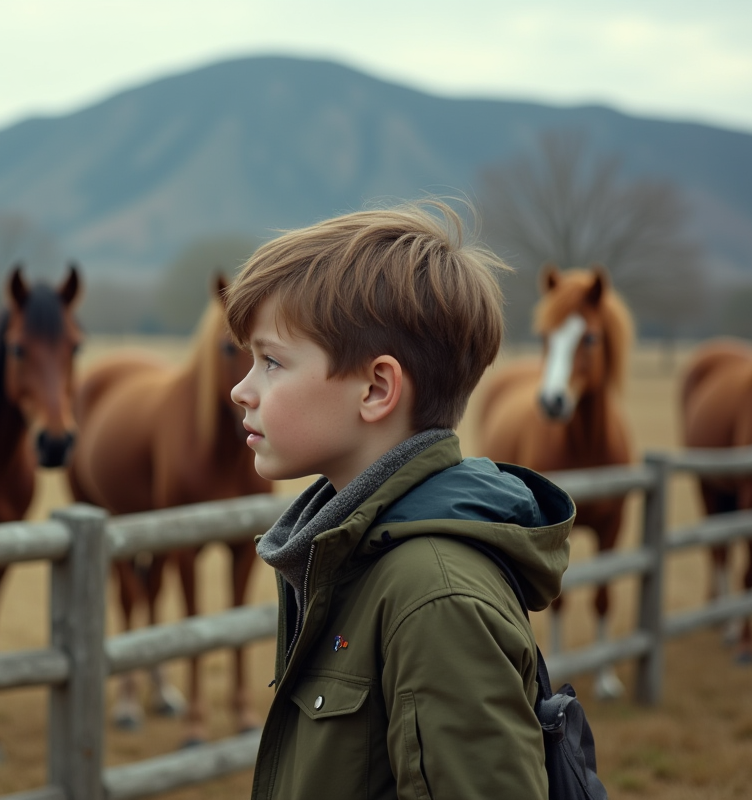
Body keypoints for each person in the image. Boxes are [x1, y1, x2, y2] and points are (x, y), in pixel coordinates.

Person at [224, 200, 575, 800]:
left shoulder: (435, 597)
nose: (240, 390)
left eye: (271, 362)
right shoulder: (355, 553)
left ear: (377, 388)